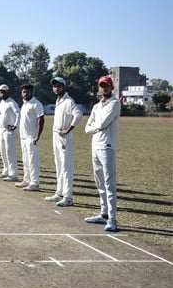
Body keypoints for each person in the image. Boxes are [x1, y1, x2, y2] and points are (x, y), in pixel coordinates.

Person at [84, 75, 121, 232]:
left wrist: (96, 126)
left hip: (107, 146)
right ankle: (104, 213)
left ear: (111, 88)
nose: (104, 88)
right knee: (99, 182)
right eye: (101, 86)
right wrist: (97, 127)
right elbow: (87, 128)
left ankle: (112, 219)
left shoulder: (114, 104)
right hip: (95, 146)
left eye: (106, 86)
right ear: (99, 88)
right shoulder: (96, 106)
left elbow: (103, 123)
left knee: (109, 183)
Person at [45, 76, 83, 207]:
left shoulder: (68, 101)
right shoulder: (59, 101)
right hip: (56, 135)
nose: (56, 88)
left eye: (59, 86)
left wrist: (69, 129)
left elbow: (78, 114)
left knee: (66, 167)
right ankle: (59, 193)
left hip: (64, 137)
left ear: (64, 87)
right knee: (59, 166)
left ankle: (68, 197)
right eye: (54, 86)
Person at [15, 84, 44, 192]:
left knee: (33, 161)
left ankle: (34, 183)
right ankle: (27, 180)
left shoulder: (36, 104)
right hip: (23, 137)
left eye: (27, 92)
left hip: (31, 137)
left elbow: (41, 120)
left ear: (31, 92)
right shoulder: (24, 104)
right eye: (23, 92)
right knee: (25, 160)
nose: (25, 94)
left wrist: (37, 136)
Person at [0, 84, 20, 182]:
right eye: (0, 91)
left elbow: (18, 113)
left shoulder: (12, 102)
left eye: (4, 91)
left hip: (9, 130)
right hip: (2, 129)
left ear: (8, 92)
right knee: (3, 151)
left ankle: (13, 174)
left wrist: (15, 125)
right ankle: (5, 171)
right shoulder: (1, 102)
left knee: (10, 152)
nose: (2, 93)